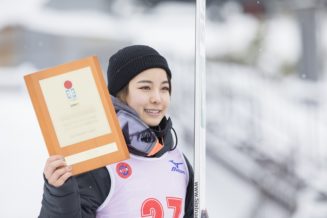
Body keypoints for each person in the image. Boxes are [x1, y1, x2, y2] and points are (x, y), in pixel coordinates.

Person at [39, 45, 194, 218]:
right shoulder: (99, 162)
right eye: (145, 87)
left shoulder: (178, 162)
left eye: (164, 88)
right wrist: (60, 196)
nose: (157, 98)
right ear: (120, 95)